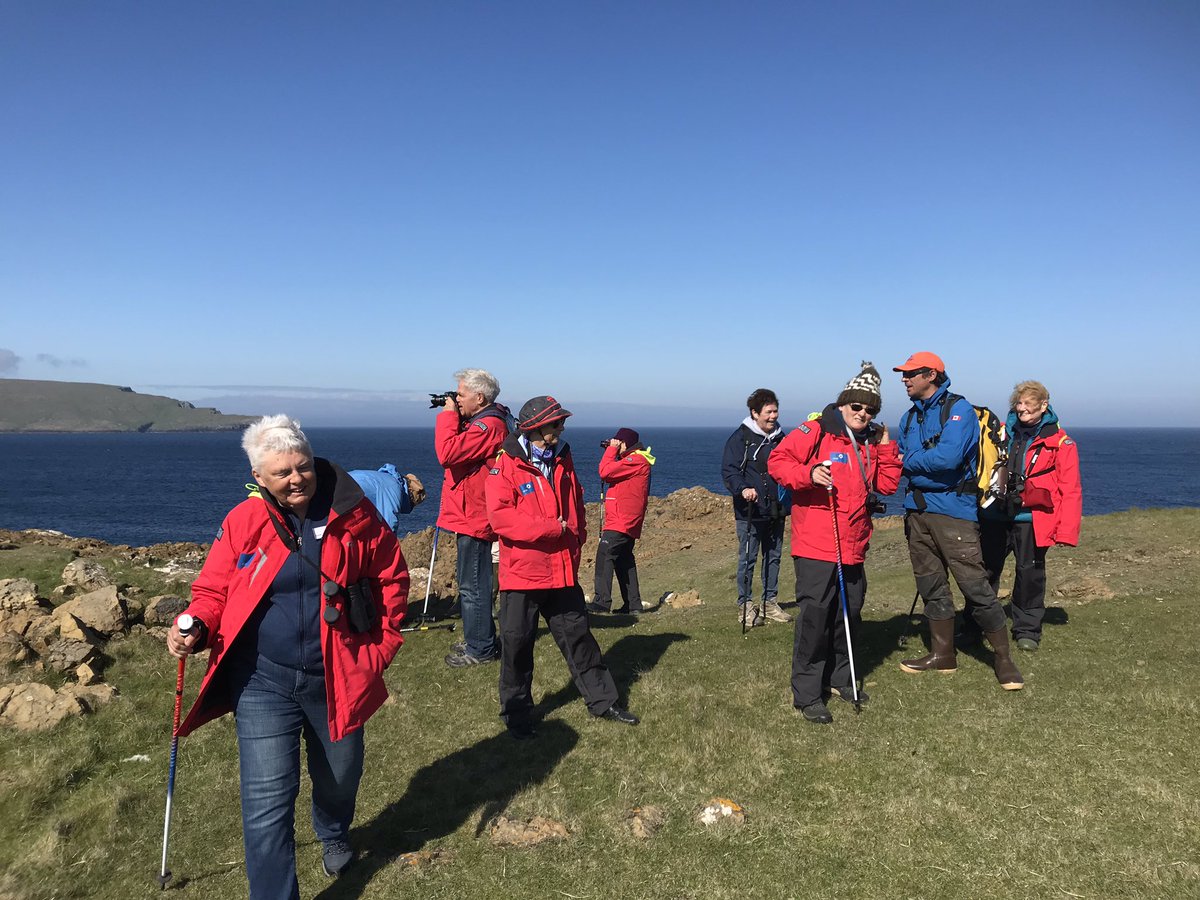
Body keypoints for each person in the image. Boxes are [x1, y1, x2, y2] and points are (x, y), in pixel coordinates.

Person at [165, 415, 409, 898]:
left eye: (302, 467)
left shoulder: (355, 514)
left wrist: (380, 648)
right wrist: (195, 623)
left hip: (339, 674)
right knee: (266, 802)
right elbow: (214, 588)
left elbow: (392, 579)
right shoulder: (244, 520)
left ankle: (333, 831)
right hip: (262, 680)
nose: (296, 479)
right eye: (281, 473)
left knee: (340, 778)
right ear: (259, 477)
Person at [485, 396, 639, 739]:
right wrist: (552, 529)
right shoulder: (504, 465)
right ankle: (517, 716)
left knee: (579, 638)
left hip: (561, 570)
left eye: (561, 422)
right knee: (517, 645)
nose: (562, 428)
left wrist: (578, 535)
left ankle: (603, 701)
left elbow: (576, 500)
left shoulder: (562, 457)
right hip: (523, 573)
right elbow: (500, 518)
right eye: (556, 423)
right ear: (536, 428)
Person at [769, 362, 902, 723]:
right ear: (843, 403)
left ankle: (842, 678)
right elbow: (778, 461)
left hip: (854, 544)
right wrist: (809, 474)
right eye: (857, 406)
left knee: (850, 614)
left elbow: (888, 486)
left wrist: (888, 448)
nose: (863, 413)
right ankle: (808, 693)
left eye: (870, 408)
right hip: (817, 543)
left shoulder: (871, 440)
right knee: (815, 618)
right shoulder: (817, 430)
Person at [892, 352, 1024, 690]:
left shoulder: (959, 410)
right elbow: (908, 461)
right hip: (918, 513)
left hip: (955, 513)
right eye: (904, 374)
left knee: (975, 586)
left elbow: (948, 459)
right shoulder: (908, 418)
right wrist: (920, 462)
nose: (905, 379)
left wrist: (913, 461)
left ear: (931, 375)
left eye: (911, 374)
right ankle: (942, 654)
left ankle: (1003, 658)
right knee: (931, 585)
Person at [972, 380, 1082, 652]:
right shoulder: (1000, 433)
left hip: (1032, 518)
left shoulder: (1061, 442)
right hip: (996, 514)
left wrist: (1066, 531)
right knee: (985, 570)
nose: (1023, 410)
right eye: (1019, 405)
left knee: (1030, 574)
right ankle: (977, 624)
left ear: (1044, 405)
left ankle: (1027, 630)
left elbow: (1071, 489)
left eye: (1029, 406)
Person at [434, 368, 509, 668]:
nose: (456, 399)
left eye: (461, 394)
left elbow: (447, 453)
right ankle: (479, 637)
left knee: (473, 584)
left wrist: (449, 416)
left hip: (476, 517)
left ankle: (481, 649)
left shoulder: (488, 426)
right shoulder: (483, 421)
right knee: (471, 582)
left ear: (480, 397)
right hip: (470, 514)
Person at [721, 388, 791, 626]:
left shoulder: (782, 437)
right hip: (749, 510)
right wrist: (742, 489)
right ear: (754, 412)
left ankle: (770, 602)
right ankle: (745, 606)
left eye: (775, 411)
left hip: (777, 508)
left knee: (774, 557)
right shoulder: (741, 438)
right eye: (768, 412)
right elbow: (729, 470)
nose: (773, 416)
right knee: (748, 559)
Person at [587, 427, 655, 615]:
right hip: (625, 520)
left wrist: (610, 451)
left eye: (618, 442)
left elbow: (605, 472)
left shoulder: (636, 460)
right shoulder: (633, 461)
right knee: (624, 560)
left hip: (622, 521)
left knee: (605, 555)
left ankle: (601, 603)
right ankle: (633, 605)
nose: (615, 444)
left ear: (625, 443)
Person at [349, 464, 426, 535]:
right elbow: (388, 525)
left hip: (343, 483)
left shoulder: (386, 478)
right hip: (347, 493)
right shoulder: (394, 488)